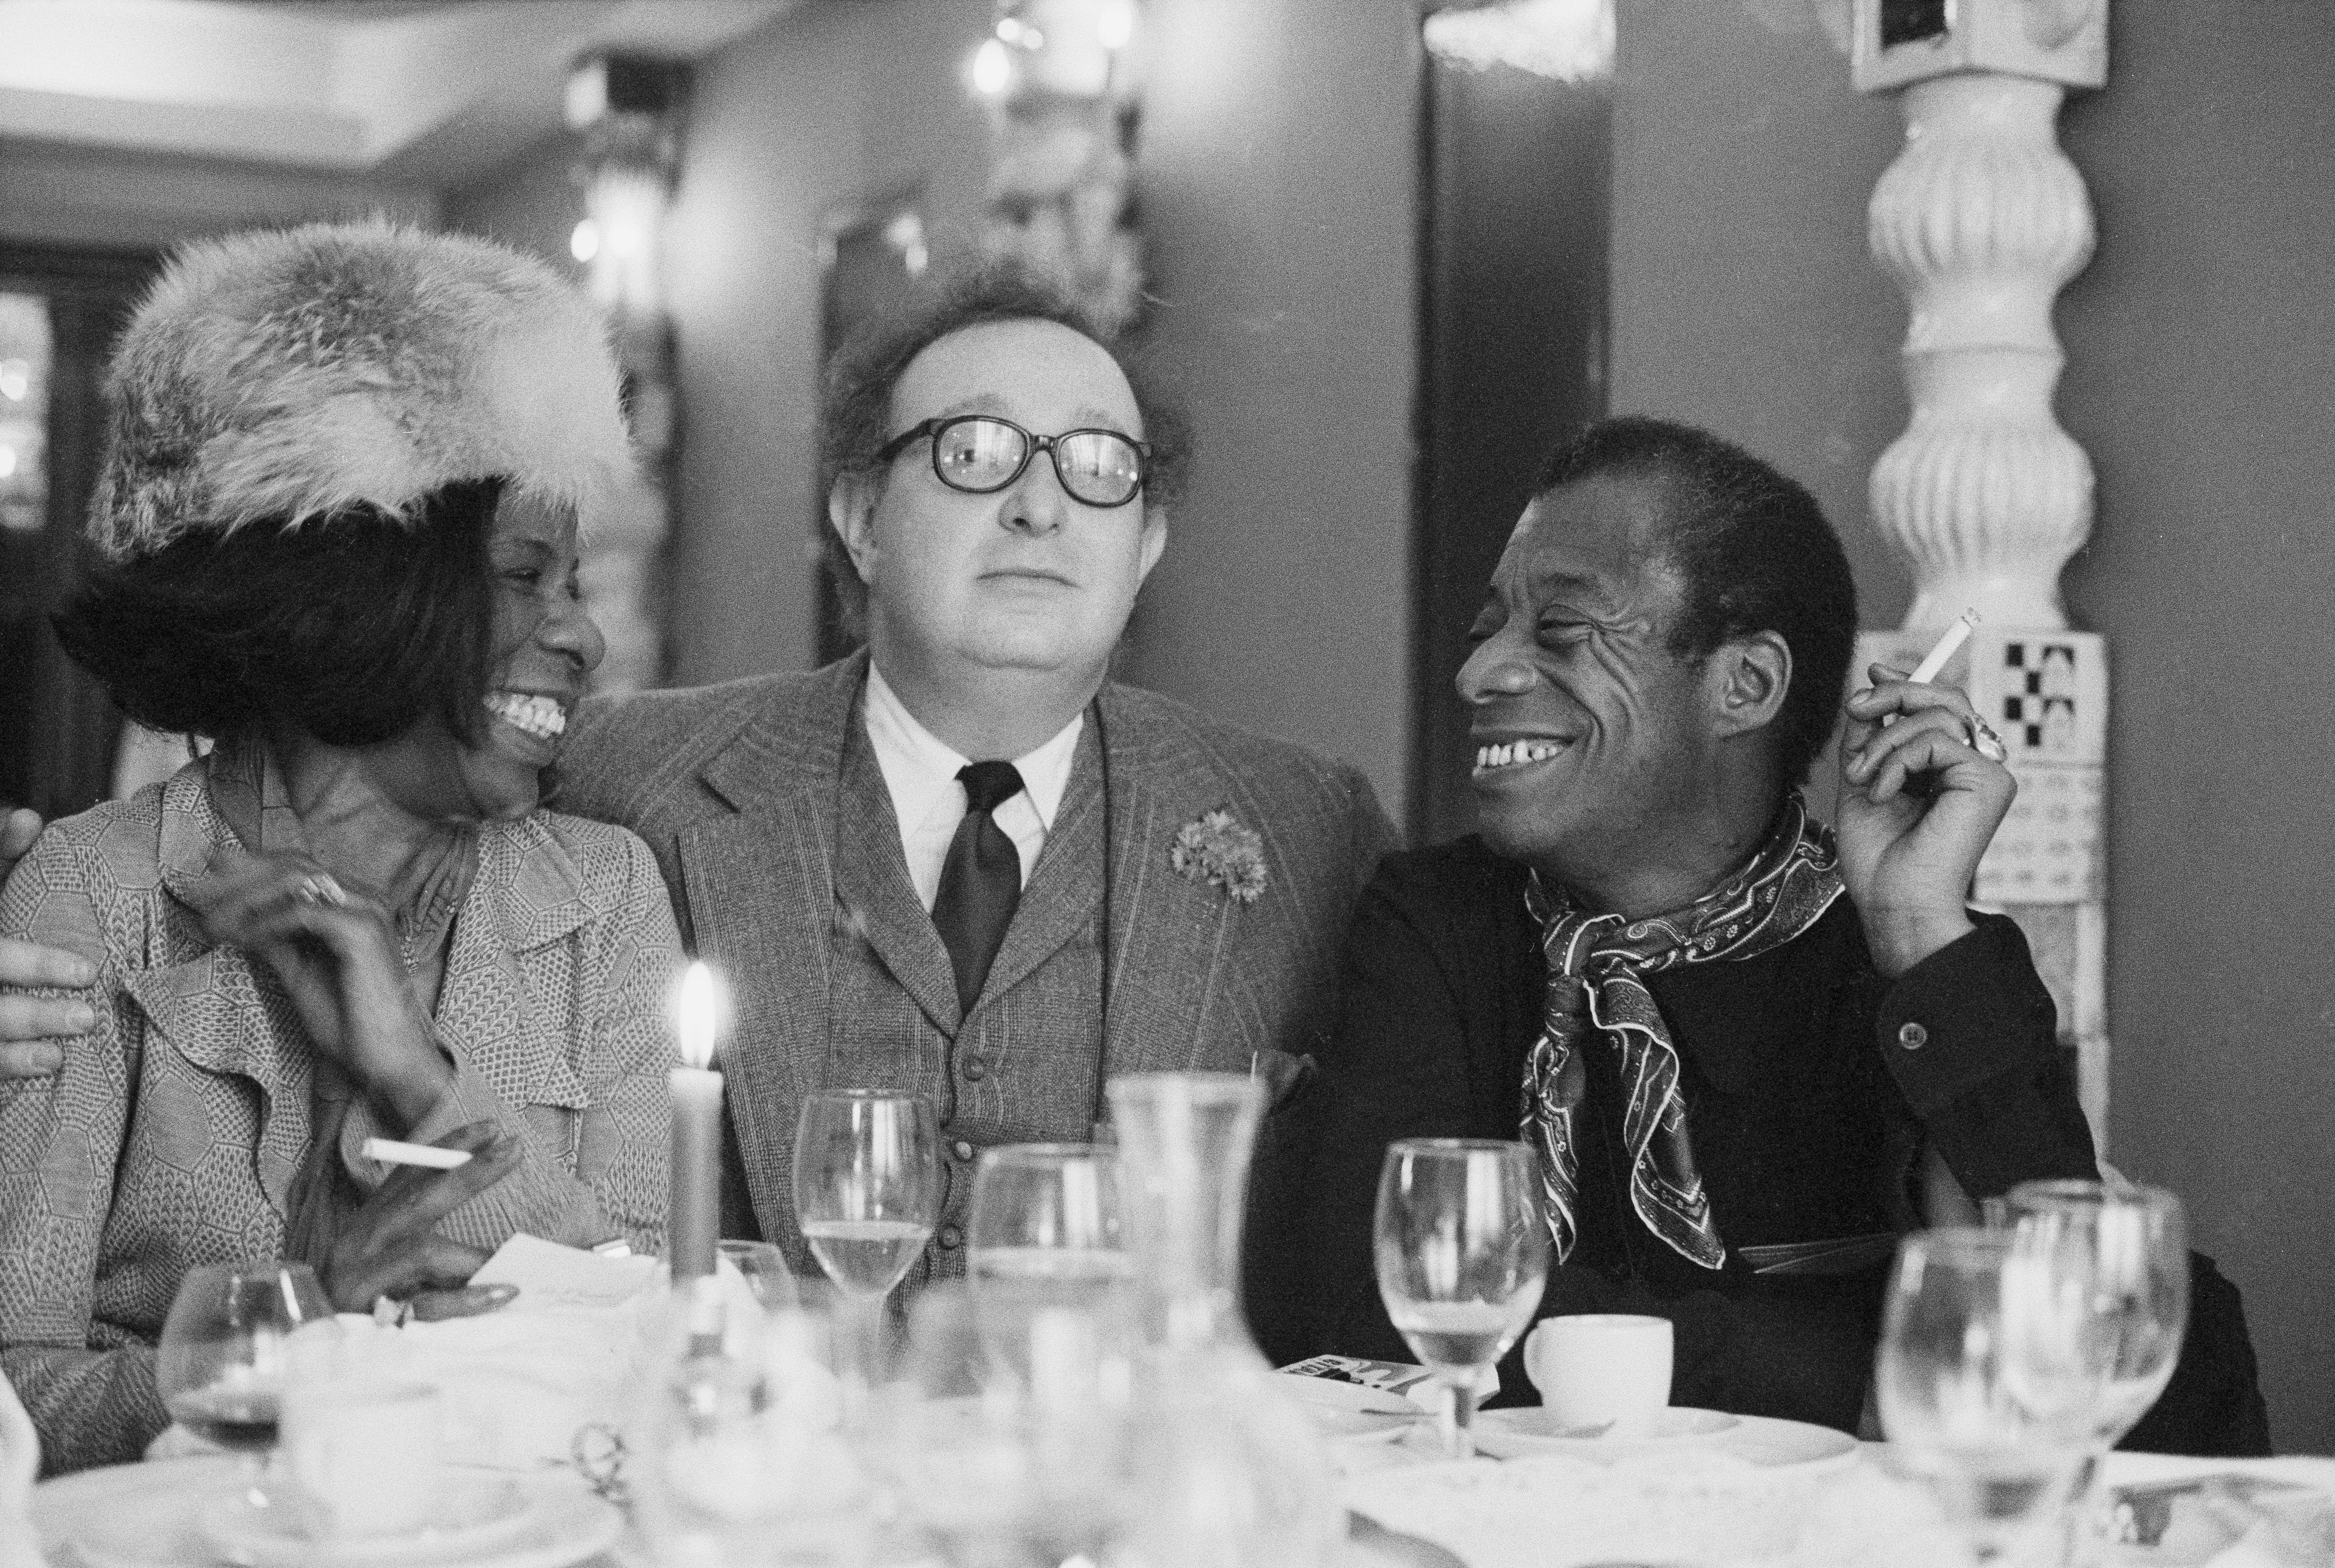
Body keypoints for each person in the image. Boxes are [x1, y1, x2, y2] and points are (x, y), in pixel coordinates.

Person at [1297, 417, 2267, 1451]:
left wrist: (1919, 928)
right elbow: (1365, 1312)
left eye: (1561, 628)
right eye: (1491, 624)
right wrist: (1864, 1370)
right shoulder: (1438, 926)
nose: (1480, 670)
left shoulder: (1910, 961)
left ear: (1746, 685)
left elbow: (2094, 1338)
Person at [521, 266, 1396, 1299]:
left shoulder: (1306, 826)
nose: (1039, 507)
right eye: (975, 453)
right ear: (861, 517)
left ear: (1147, 544)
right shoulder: (625, 779)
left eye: (1100, 467)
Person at [0, 221, 677, 1473]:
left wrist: (418, 1071)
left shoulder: (607, 895)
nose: (579, 635)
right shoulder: (95, 898)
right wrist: (301, 1334)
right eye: (525, 574)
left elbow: (661, 1342)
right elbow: (9, 1388)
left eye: (576, 581)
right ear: (359, 588)